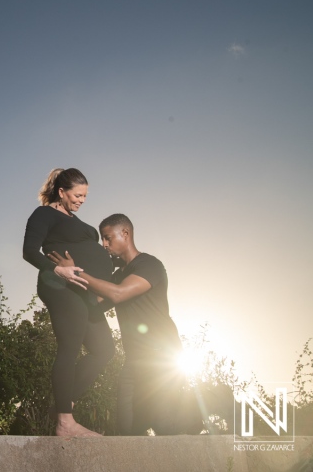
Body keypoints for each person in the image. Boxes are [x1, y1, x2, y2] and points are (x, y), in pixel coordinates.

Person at [48, 213, 186, 435]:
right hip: (133, 363)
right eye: (102, 239)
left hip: (163, 360)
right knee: (126, 433)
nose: (104, 245)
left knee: (166, 428)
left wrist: (78, 271)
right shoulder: (117, 275)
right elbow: (95, 303)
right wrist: (63, 281)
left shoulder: (149, 264)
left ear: (125, 233)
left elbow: (119, 294)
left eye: (107, 238)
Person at [22, 168, 115, 437]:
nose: (82, 200)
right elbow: (29, 250)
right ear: (61, 192)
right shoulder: (44, 214)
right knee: (70, 348)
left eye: (85, 195)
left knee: (104, 350)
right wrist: (56, 270)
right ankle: (65, 422)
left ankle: (64, 401)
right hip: (61, 287)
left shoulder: (73, 219)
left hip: (84, 292)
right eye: (77, 195)